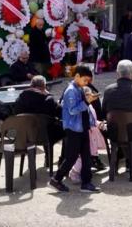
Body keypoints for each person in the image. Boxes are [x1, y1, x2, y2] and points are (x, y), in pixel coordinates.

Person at [49, 65, 99, 193]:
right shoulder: (71, 90)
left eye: (88, 81)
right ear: (77, 76)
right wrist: (87, 102)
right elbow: (72, 110)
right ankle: (56, 179)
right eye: (85, 80)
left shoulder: (79, 88)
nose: (87, 83)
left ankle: (86, 183)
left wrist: (89, 100)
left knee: (86, 156)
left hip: (82, 127)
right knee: (71, 157)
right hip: (74, 128)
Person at [100, 60, 132, 168]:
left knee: (122, 125)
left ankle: (128, 158)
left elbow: (104, 112)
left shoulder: (108, 90)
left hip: (114, 132)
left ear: (117, 73)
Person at [69, 86, 106, 182]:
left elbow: (92, 120)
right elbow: (87, 121)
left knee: (87, 155)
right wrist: (97, 124)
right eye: (90, 95)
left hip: (90, 133)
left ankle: (82, 173)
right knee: (82, 157)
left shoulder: (89, 106)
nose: (93, 97)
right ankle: (74, 173)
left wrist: (98, 123)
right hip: (85, 134)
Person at [14, 75, 65, 145]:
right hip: (45, 135)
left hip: (26, 133)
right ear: (44, 86)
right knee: (68, 128)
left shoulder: (20, 99)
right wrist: (49, 94)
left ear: (31, 85)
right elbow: (61, 113)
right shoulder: (48, 100)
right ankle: (64, 155)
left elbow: (15, 113)